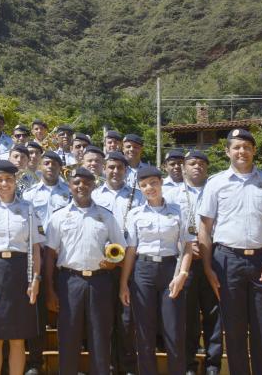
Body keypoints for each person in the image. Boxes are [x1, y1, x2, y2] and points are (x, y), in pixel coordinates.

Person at [198, 129, 262, 375]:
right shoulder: (215, 183)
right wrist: (208, 268)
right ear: (227, 151)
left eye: (247, 147)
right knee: (234, 332)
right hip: (226, 262)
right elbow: (205, 230)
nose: (242, 151)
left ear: (254, 151)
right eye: (237, 147)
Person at [45, 167, 126, 375]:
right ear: (70, 185)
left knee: (100, 336)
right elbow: (50, 255)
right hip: (69, 280)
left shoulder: (106, 216)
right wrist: (50, 290)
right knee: (68, 336)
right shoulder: (59, 216)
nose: (82, 186)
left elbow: (121, 250)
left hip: (100, 282)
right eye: (77, 182)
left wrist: (113, 262)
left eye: (87, 182)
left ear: (93, 185)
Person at [0, 160, 44, 375]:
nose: (4, 183)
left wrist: (36, 280)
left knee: (17, 338)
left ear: (15, 181)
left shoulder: (27, 208)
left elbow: (35, 248)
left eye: (9, 179)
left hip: (20, 272)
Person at [120, 166, 193, 375]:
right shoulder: (134, 214)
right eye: (143, 185)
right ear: (140, 189)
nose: (149, 188)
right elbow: (131, 250)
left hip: (171, 270)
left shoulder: (179, 211)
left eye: (153, 182)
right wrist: (123, 283)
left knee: (174, 332)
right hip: (143, 272)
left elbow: (187, 246)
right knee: (144, 333)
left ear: (161, 183)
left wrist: (182, 275)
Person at [164, 150, 222, 375]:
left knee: (214, 314)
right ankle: (188, 365)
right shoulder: (172, 194)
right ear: (183, 167)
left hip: (214, 257)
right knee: (186, 316)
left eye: (201, 163)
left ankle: (213, 365)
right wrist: (187, 246)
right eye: (191, 163)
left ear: (207, 168)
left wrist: (206, 245)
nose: (196, 166)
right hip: (184, 260)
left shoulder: (217, 190)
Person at [91, 151, 143, 375]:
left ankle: (129, 368)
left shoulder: (138, 196)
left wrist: (124, 260)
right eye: (111, 167)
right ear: (104, 168)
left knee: (126, 320)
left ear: (125, 170)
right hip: (103, 266)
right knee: (104, 319)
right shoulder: (93, 195)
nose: (114, 171)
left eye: (119, 168)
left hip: (129, 266)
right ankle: (108, 367)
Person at [21, 150, 69, 375]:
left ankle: (70, 361)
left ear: (61, 167)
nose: (50, 166)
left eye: (54, 163)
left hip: (64, 257)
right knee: (37, 311)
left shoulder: (70, 192)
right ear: (40, 165)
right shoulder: (29, 194)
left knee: (70, 310)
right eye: (46, 163)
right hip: (39, 255)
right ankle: (35, 362)